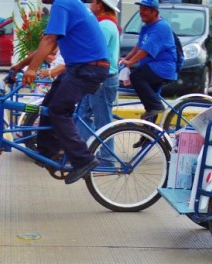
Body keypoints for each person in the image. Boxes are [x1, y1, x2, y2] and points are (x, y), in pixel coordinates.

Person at [12, 0, 109, 185]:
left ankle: (84, 159)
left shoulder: (62, 3)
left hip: (88, 68)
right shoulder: (69, 4)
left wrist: (31, 70)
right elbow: (48, 43)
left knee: (59, 110)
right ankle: (48, 152)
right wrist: (20, 66)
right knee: (47, 106)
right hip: (78, 68)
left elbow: (49, 40)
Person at [75, 0, 120, 166]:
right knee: (83, 115)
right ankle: (83, 155)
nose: (90, 5)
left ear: (100, 5)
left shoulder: (105, 26)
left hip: (103, 80)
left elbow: (93, 51)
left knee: (103, 120)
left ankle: (107, 160)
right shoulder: (105, 24)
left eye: (93, 1)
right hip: (95, 78)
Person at [120, 0, 177, 122]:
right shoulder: (146, 27)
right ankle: (146, 138)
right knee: (149, 104)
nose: (141, 12)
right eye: (140, 9)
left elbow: (146, 49)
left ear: (155, 12)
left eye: (145, 9)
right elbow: (139, 46)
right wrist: (127, 59)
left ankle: (156, 106)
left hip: (162, 67)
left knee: (136, 77)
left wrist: (130, 63)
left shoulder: (161, 27)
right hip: (151, 67)